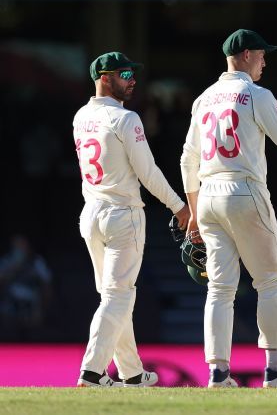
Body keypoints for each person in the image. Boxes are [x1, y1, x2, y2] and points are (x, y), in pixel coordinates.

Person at [179, 29, 277, 388]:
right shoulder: (254, 93)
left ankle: (218, 372)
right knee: (272, 281)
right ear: (245, 55)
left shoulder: (204, 99)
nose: (265, 60)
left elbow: (188, 159)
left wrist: (194, 212)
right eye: (261, 54)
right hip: (244, 189)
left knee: (220, 288)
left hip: (208, 193)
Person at [73, 52, 190, 387]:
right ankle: (92, 372)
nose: (133, 79)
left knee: (114, 296)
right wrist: (179, 206)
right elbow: (147, 173)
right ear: (105, 78)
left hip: (91, 215)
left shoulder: (81, 116)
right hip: (121, 215)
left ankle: (132, 373)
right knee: (118, 296)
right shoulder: (127, 119)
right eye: (125, 74)